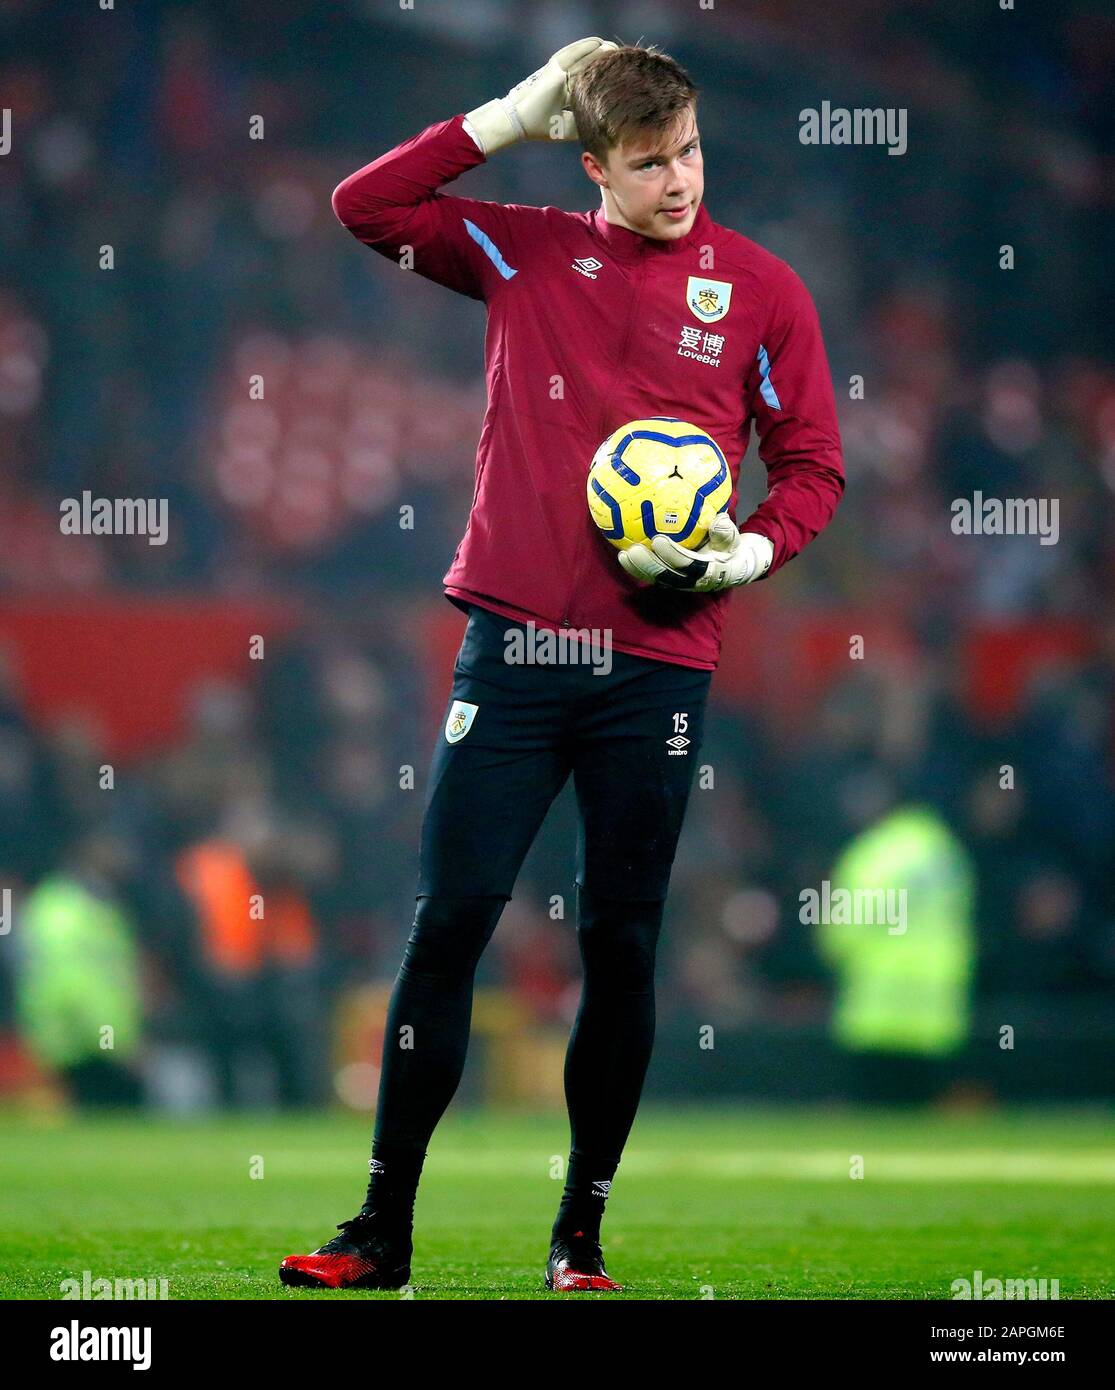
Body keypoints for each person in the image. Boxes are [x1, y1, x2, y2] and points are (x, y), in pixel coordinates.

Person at [280, 37, 844, 1293]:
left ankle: (577, 1238)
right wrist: (502, 116)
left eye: (689, 152)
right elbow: (364, 206)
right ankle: (379, 1231)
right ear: (590, 161)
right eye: (647, 163)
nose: (678, 181)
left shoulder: (757, 291)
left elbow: (812, 462)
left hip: (659, 660)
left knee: (623, 940)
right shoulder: (523, 247)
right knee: (449, 926)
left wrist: (753, 549)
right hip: (516, 647)